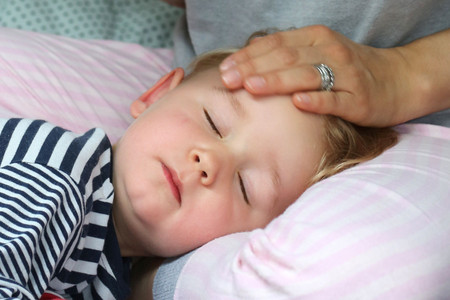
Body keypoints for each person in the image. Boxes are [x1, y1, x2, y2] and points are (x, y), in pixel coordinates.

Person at [0, 46, 397, 299]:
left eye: (246, 186)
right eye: (212, 121)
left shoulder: (110, 265)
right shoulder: (56, 173)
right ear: (157, 94)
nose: (210, 162)